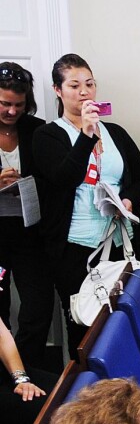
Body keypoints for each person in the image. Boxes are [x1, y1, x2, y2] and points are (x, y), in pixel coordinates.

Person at [32, 54, 140, 358]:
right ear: (58, 90)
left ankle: (125, 396)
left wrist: (127, 200)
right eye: (74, 85)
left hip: (121, 239)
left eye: (89, 84)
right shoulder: (47, 135)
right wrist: (86, 135)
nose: (84, 91)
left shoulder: (117, 133)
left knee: (126, 322)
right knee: (85, 326)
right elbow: (64, 178)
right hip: (76, 247)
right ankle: (85, 399)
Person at [0, 62, 55, 368]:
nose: (11, 111)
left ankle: (27, 372)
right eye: (5, 104)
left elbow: (53, 180)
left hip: (29, 232)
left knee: (38, 305)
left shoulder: (37, 130)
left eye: (18, 105)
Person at [0, 312, 55, 424]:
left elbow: (2, 336)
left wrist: (21, 379)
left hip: (6, 372)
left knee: (72, 390)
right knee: (50, 411)